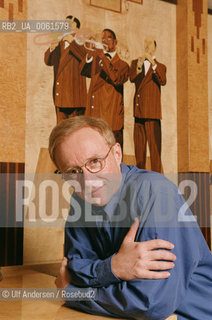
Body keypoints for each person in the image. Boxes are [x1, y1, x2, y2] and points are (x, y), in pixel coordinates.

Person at [48, 116, 212, 320]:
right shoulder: (80, 199)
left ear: (117, 154)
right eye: (73, 172)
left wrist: (72, 293)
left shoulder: (154, 192)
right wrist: (113, 267)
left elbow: (150, 303)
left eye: (95, 162)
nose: (88, 180)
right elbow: (72, 268)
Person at [80, 29, 129, 149]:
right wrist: (90, 54)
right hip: (94, 116)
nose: (104, 41)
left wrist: (102, 56)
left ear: (115, 42)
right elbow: (83, 71)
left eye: (108, 38)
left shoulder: (123, 65)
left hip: (111, 119)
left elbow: (116, 78)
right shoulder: (98, 61)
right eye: (102, 38)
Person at [130, 37, 167, 173]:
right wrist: (140, 65)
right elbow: (132, 78)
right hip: (138, 111)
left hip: (152, 113)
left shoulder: (160, 67)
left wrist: (152, 62)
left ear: (155, 47)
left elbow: (163, 80)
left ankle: (157, 177)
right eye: (145, 42)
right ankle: (140, 177)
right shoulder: (136, 63)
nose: (146, 45)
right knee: (139, 150)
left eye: (150, 43)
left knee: (155, 150)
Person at [44, 15, 87, 123]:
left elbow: (86, 59)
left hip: (75, 98)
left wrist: (73, 42)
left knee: (74, 133)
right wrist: (51, 47)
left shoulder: (83, 42)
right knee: (61, 133)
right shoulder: (60, 43)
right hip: (60, 97)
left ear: (75, 27)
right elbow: (48, 62)